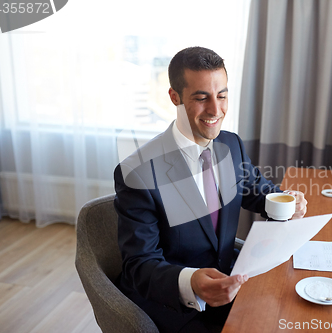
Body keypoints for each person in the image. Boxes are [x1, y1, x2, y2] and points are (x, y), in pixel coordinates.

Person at [114, 46, 307, 333]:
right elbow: (139, 265)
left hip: (232, 284)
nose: (216, 111)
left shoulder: (231, 145)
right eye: (202, 98)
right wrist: (190, 282)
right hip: (173, 307)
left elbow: (255, 190)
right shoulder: (139, 172)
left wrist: (285, 201)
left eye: (222, 96)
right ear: (174, 97)